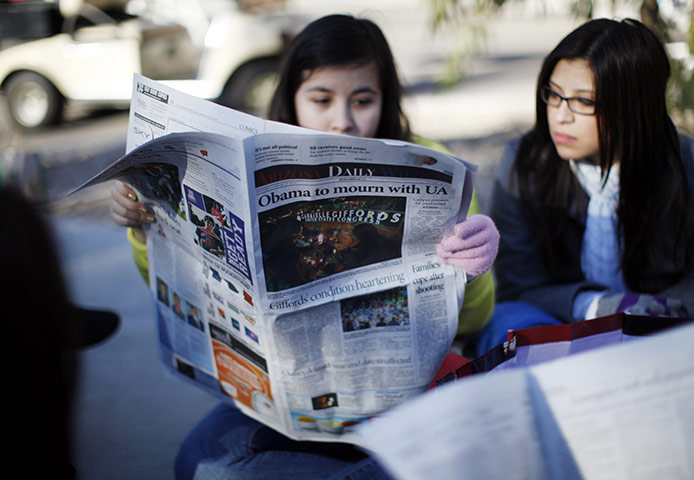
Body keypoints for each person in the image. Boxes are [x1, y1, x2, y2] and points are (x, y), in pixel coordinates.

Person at [109, 14, 500, 479]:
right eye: (322, 99)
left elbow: (476, 319)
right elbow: (181, 292)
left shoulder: (435, 168)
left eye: (363, 99)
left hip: (401, 398)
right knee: (202, 459)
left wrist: (472, 268)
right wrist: (142, 230)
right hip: (288, 402)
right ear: (292, 99)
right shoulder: (251, 170)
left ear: (385, 98)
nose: (344, 120)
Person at [471, 18, 694, 357]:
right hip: (561, 325)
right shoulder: (526, 163)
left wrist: (655, 308)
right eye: (554, 95)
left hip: (663, 330)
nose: (561, 115)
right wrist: (594, 304)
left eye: (584, 102)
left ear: (633, 106)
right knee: (507, 320)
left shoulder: (684, 164)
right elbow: (518, 286)